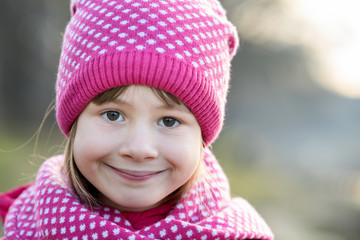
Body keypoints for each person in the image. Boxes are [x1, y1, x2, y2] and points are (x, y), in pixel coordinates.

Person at [0, 0, 274, 239]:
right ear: (74, 122)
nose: (139, 149)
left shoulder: (232, 233)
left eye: (168, 121)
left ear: (202, 138)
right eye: (113, 115)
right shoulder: (28, 229)